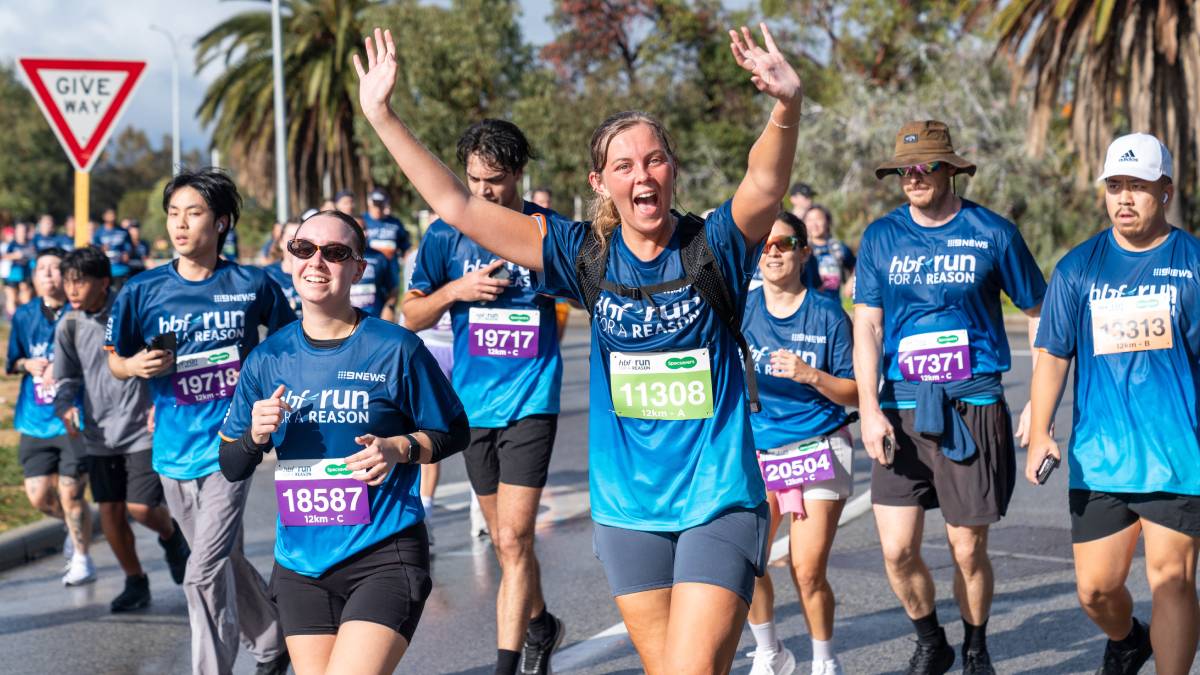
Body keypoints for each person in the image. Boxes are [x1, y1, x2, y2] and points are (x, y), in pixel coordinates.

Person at [355, 22, 802, 673]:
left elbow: (764, 184)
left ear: (672, 170)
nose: (642, 175)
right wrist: (382, 114)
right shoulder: (582, 253)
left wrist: (785, 106)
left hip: (719, 497)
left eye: (654, 160)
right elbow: (456, 204)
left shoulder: (717, 246)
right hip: (628, 511)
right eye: (624, 165)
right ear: (601, 181)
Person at [218, 210, 470, 675]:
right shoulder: (267, 358)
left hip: (383, 553)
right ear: (288, 259)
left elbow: (454, 431)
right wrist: (255, 436)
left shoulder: (396, 348)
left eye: (334, 253)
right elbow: (231, 464)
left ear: (357, 267)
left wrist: (399, 448)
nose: (317, 262)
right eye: (303, 249)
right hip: (301, 567)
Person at [853, 120, 1046, 675]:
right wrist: (868, 408)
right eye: (903, 170)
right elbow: (866, 325)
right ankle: (930, 639)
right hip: (902, 408)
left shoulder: (993, 232)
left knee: (966, 549)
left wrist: (1038, 401)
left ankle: (976, 648)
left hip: (972, 403)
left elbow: (1037, 314)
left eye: (924, 167)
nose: (912, 177)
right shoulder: (881, 237)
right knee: (896, 550)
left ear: (951, 170)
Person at [105, 168, 293, 675]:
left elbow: (287, 344)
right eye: (173, 214)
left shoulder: (252, 283)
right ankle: (275, 643)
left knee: (200, 571)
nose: (180, 224)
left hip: (232, 445)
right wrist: (134, 365)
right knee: (224, 558)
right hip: (171, 449)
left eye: (193, 213)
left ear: (222, 221)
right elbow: (114, 355)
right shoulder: (142, 291)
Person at [1028, 133, 1200, 675]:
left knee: (1172, 578)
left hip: (1178, 453)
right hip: (1100, 457)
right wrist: (1039, 428)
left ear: (1165, 191)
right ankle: (1128, 639)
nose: (1124, 198)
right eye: (1115, 186)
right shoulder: (1078, 268)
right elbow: (1053, 353)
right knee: (1096, 590)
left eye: (1139, 187)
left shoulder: (1194, 264)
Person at [403, 118, 566, 674]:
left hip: (532, 401)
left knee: (517, 535)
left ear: (519, 172)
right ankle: (541, 623)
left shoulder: (548, 230)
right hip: (472, 407)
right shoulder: (447, 234)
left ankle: (506, 663)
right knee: (504, 540)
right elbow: (411, 313)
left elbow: (590, 296)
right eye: (474, 180)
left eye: (494, 180)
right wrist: (456, 291)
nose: (483, 192)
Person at [743, 212, 857, 675]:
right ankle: (771, 653)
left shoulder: (827, 314)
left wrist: (812, 376)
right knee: (746, 562)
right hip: (759, 452)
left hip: (818, 446)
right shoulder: (742, 308)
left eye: (784, 243)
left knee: (807, 570)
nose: (773, 251)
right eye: (765, 244)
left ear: (803, 252)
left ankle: (825, 661)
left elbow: (857, 392)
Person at [53, 245, 191, 612]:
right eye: (68, 282)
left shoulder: (133, 311)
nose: (72, 290)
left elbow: (166, 357)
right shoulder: (68, 324)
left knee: (141, 507)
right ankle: (135, 581)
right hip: (98, 433)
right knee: (110, 512)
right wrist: (65, 405)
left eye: (79, 282)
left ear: (103, 282)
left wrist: (161, 403)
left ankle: (172, 536)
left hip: (142, 426)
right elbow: (64, 378)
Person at [7, 247, 92, 585]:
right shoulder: (24, 316)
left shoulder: (81, 314)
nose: (47, 275)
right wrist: (28, 364)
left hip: (72, 417)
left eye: (55, 269)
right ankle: (74, 528)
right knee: (39, 496)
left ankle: (83, 559)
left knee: (72, 493)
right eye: (41, 268)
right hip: (34, 420)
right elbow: (13, 362)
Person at [803, 205, 855, 301]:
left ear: (827, 221)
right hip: (810, 307)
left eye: (818, 219)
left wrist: (852, 282)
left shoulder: (839, 248)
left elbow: (858, 267)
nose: (814, 224)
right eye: (809, 220)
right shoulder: (802, 250)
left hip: (834, 307)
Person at [263, 220, 303, 319]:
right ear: (281, 242)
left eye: (302, 239)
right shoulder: (266, 276)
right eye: (292, 238)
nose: (296, 244)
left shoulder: (317, 275)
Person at [362, 188, 412, 267]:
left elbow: (405, 247)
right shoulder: (361, 221)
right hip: (369, 269)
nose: (378, 208)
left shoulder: (395, 222)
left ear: (386, 204)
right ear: (369, 203)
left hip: (391, 270)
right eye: (376, 205)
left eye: (381, 205)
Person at [351, 245, 399, 321]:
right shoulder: (336, 256)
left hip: (375, 319)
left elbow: (393, 288)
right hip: (346, 322)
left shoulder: (379, 257)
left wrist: (389, 308)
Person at [93, 208, 134, 284]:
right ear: (104, 217)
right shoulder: (99, 232)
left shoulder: (123, 231)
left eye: (113, 213)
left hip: (121, 270)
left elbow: (129, 247)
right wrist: (101, 249)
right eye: (109, 214)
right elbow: (94, 248)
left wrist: (127, 253)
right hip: (105, 271)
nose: (111, 216)